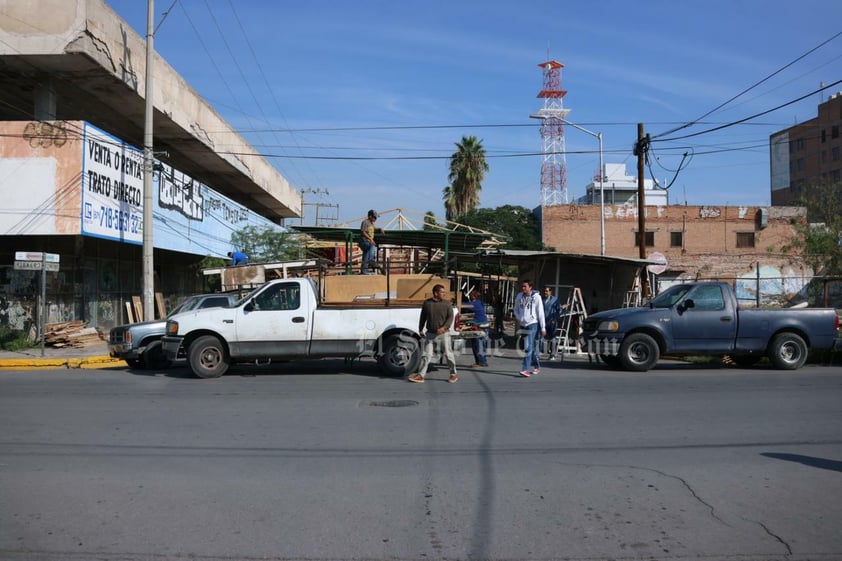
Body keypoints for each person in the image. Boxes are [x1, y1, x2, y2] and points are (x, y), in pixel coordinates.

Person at [408, 284, 458, 384]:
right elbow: (423, 316)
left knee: (448, 354)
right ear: (436, 293)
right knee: (426, 355)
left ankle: (453, 374)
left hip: (444, 334)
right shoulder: (427, 303)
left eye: (444, 292)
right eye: (442, 292)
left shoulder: (447, 304)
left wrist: (444, 328)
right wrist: (420, 329)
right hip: (430, 334)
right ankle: (421, 375)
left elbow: (450, 318)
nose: (444, 294)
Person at [513, 279, 545, 377]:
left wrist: (543, 327)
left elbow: (540, 313)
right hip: (523, 324)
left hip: (532, 324)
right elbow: (516, 309)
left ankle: (525, 369)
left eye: (525, 286)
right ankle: (537, 366)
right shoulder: (519, 296)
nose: (523, 288)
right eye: (522, 286)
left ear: (530, 287)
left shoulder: (536, 297)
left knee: (528, 347)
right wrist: (519, 318)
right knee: (528, 346)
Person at [467, 289, 489, 367]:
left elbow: (463, 305)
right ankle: (482, 361)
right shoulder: (480, 303)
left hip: (479, 326)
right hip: (485, 325)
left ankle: (481, 362)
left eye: (470, 295)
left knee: (478, 345)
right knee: (482, 345)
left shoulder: (473, 304)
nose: (469, 297)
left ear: (473, 296)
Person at [359, 209, 384, 274]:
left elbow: (374, 228)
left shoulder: (371, 223)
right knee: (372, 246)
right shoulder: (365, 222)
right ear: (370, 216)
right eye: (374, 217)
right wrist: (370, 239)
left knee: (366, 255)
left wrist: (379, 229)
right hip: (364, 241)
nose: (375, 218)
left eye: (376, 217)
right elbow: (363, 232)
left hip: (368, 241)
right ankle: (371, 261)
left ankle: (364, 271)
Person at [542, 285, 561, 359]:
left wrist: (555, 319)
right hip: (544, 321)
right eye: (544, 291)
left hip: (552, 322)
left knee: (553, 337)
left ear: (550, 292)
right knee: (541, 337)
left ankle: (553, 354)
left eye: (547, 291)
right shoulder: (542, 299)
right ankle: (539, 353)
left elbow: (559, 310)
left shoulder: (555, 300)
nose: (545, 292)